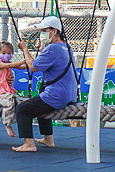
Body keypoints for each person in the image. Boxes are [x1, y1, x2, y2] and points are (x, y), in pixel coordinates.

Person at [12, 16, 78, 153]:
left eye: (44, 30)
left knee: (22, 109)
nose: (42, 34)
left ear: (54, 32)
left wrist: (25, 49)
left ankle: (28, 143)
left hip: (57, 95)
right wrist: (43, 50)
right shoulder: (66, 47)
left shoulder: (52, 49)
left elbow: (33, 67)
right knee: (41, 102)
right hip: (69, 94)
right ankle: (48, 139)